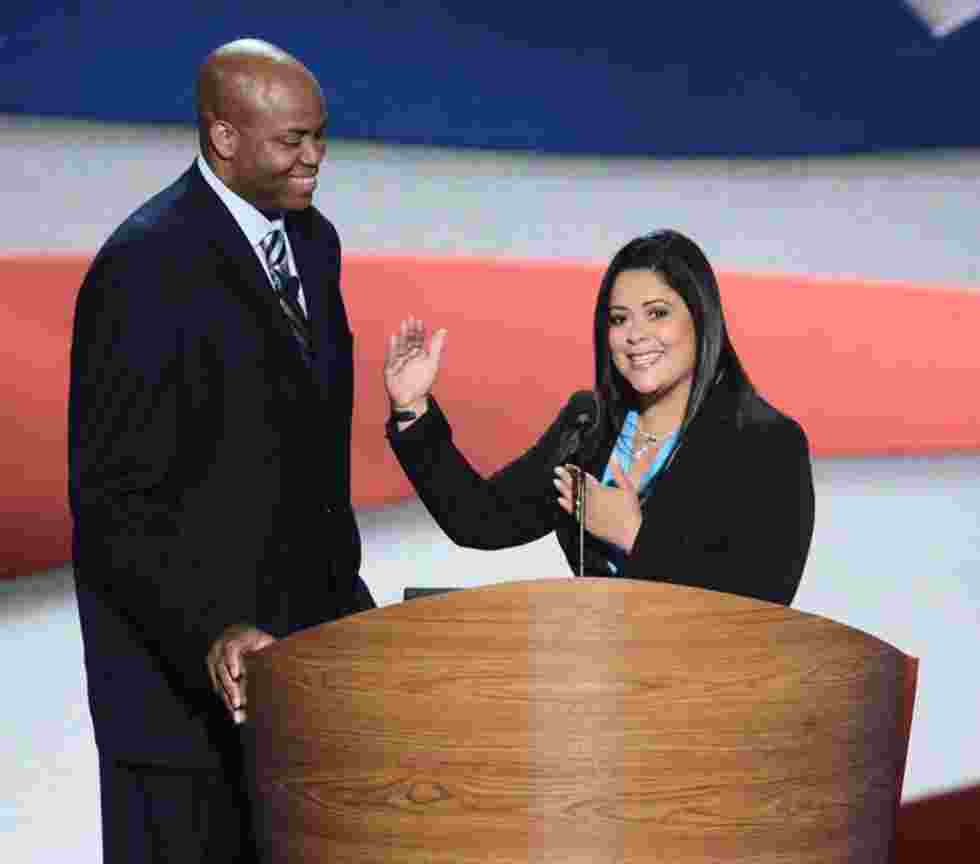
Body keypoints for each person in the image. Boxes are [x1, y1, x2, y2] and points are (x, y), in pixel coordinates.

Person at [68, 38, 373, 862]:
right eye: (292, 140)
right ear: (224, 137)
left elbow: (306, 456)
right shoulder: (144, 265)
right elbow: (114, 501)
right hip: (181, 701)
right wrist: (213, 628)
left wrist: (343, 604)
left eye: (320, 136)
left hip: (301, 668)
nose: (314, 157)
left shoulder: (313, 241)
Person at [384, 229, 813, 604]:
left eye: (657, 313)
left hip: (702, 673)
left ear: (702, 318)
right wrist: (412, 409)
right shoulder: (587, 425)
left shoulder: (768, 443)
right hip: (598, 666)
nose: (635, 335)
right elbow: (481, 520)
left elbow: (762, 604)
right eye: (619, 319)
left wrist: (635, 536)